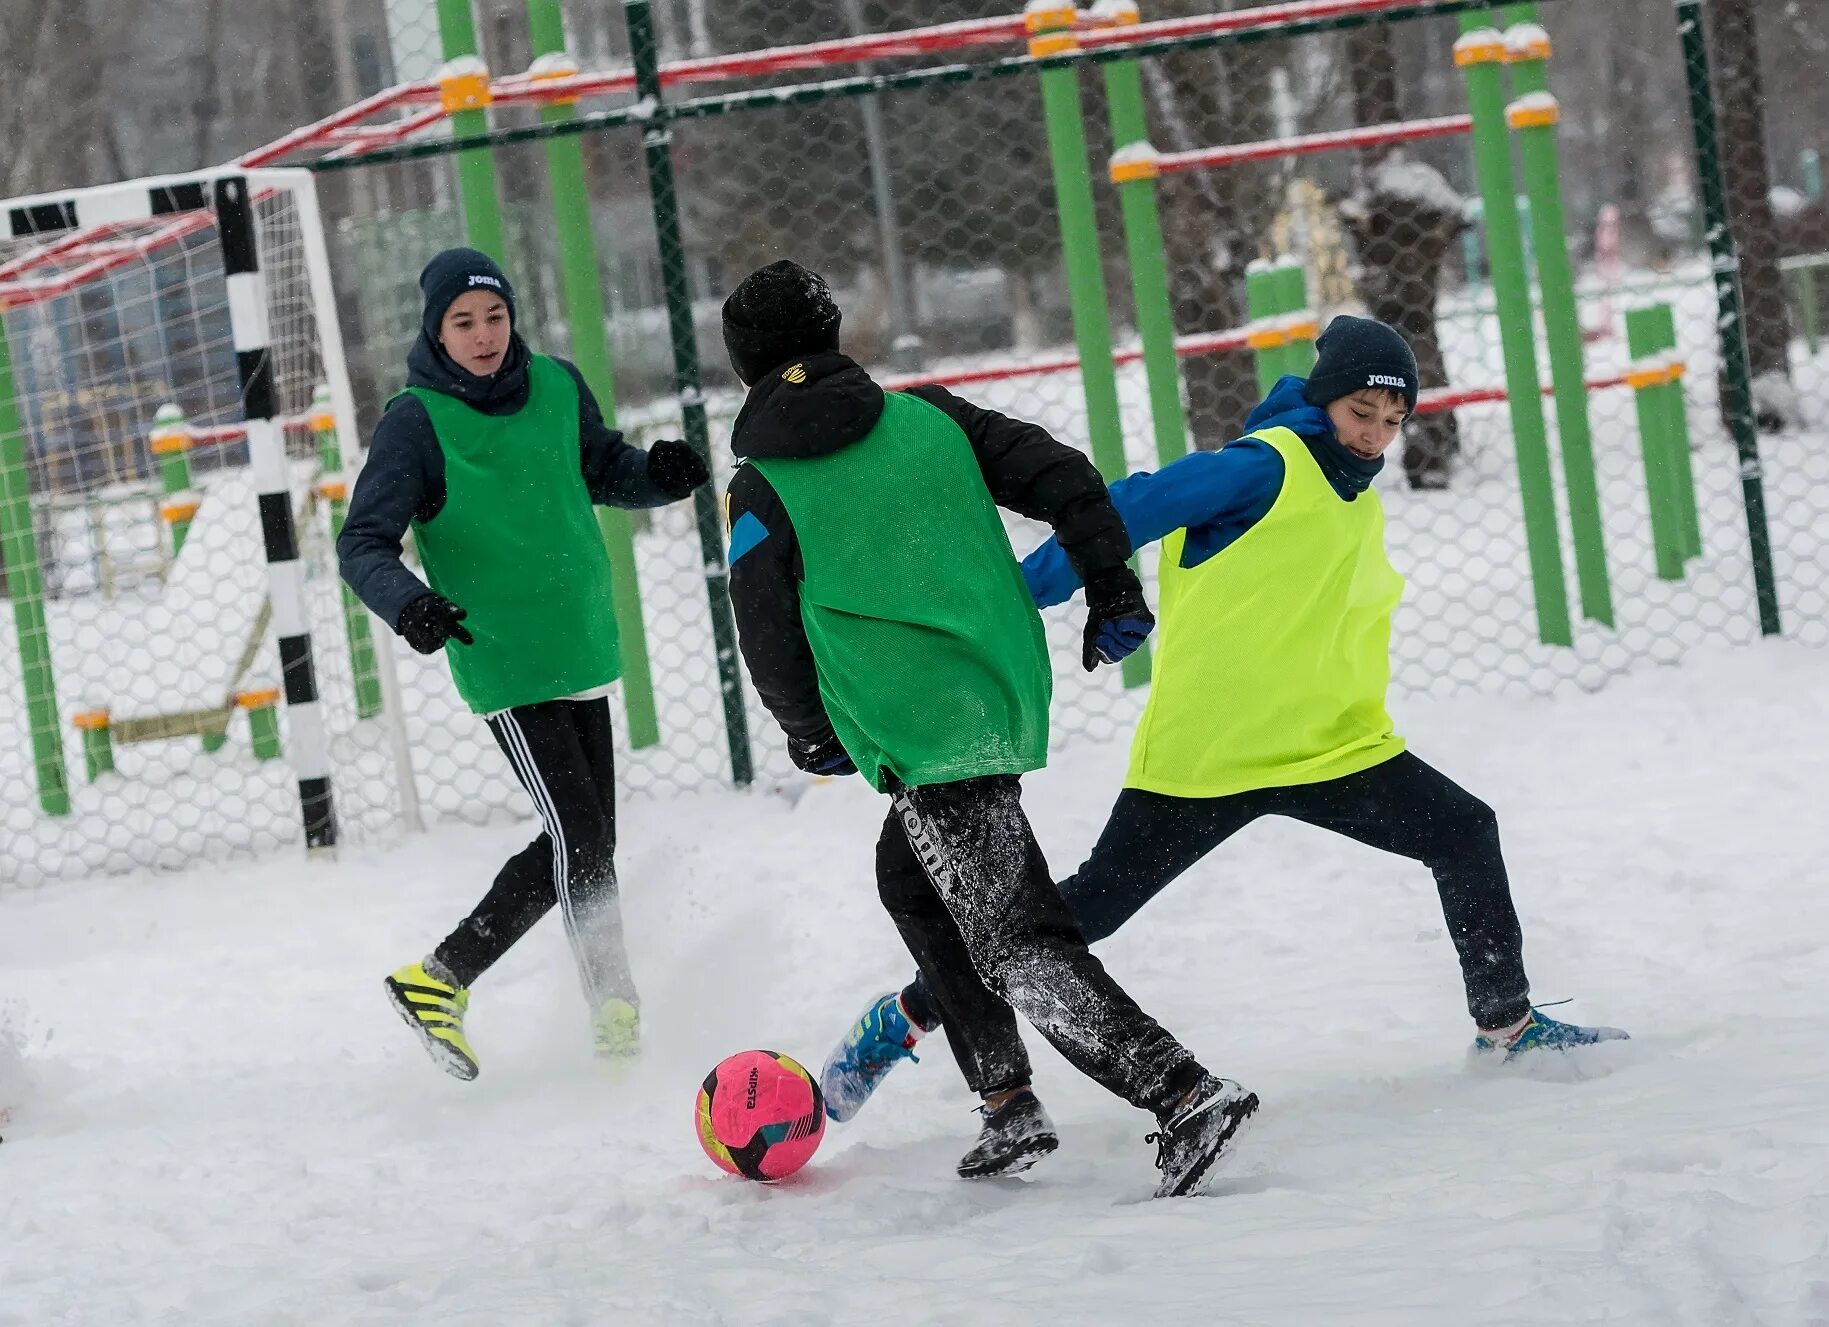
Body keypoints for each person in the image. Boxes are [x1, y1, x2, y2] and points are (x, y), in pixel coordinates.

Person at [820, 316, 1629, 1138]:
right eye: (1360, 413)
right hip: (1208, 758)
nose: (1376, 435)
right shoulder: (1260, 466)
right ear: (1323, 399)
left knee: (1463, 832)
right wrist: (1019, 597)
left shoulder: (1349, 486)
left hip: (1331, 747)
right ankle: (909, 1013)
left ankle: (1508, 1027)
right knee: (1078, 915)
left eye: (1393, 421)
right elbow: (1134, 504)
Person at [720, 260, 1256, 1198]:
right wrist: (1111, 586)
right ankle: (1007, 1102)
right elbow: (1068, 478)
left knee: (1017, 941)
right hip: (996, 692)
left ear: (742, 367)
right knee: (913, 883)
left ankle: (1181, 1092)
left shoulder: (761, 486)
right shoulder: (934, 416)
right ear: (834, 337)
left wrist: (809, 733)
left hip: (911, 728)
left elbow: (761, 627)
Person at [338, 248, 711, 1081]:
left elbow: (603, 467)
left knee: (585, 837)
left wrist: (658, 475)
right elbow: (360, 542)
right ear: (435, 330)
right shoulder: (416, 420)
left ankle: (436, 980)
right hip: (500, 654)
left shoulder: (555, 383)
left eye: (494, 317)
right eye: (462, 323)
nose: (482, 336)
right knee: (582, 835)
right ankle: (615, 1011)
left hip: (576, 641)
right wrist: (411, 604)